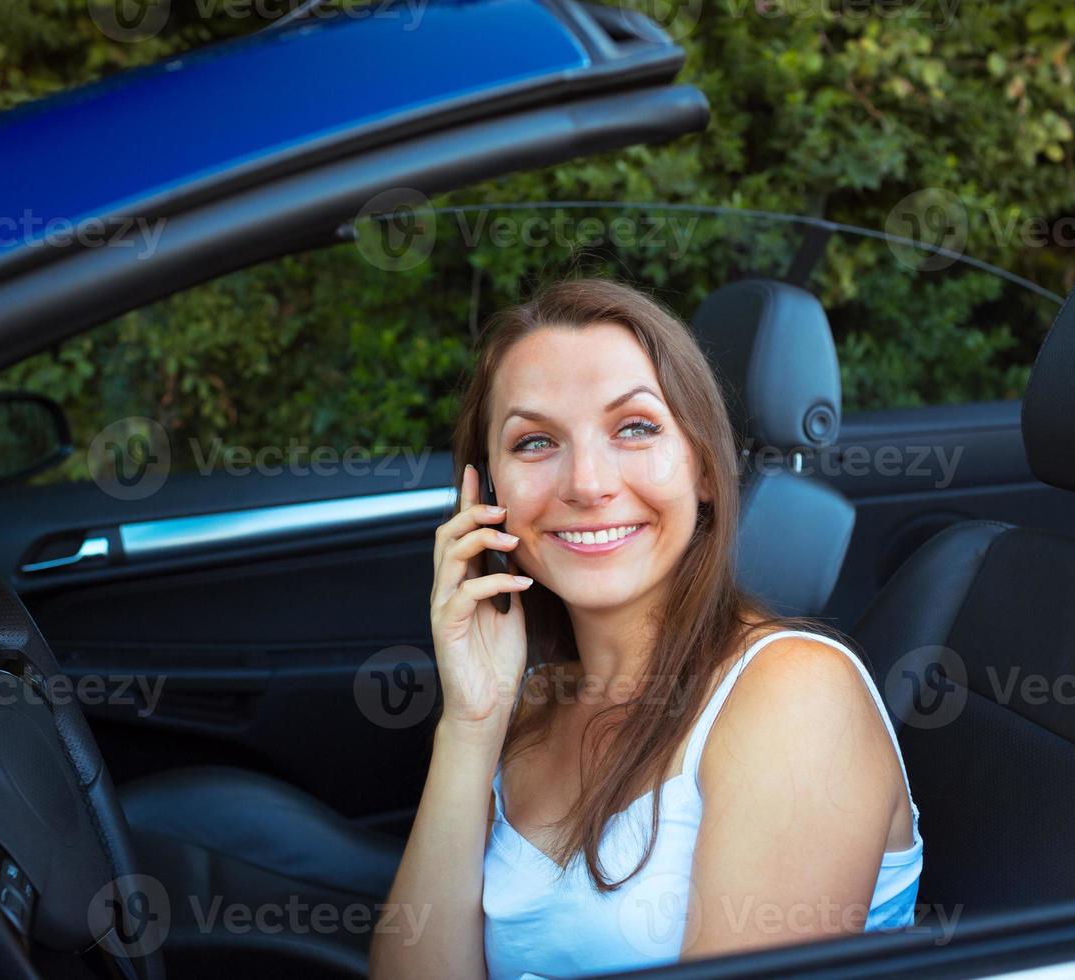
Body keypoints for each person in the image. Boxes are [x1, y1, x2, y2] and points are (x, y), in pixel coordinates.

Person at [370, 278, 921, 979]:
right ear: (487, 496)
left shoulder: (794, 696)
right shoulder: (531, 698)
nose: (588, 483)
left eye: (635, 427)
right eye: (536, 442)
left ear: (705, 472)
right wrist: (471, 723)